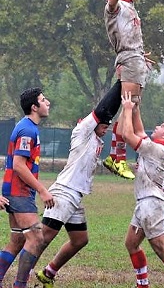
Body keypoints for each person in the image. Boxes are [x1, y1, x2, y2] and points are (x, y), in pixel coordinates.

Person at [34, 80, 122, 288]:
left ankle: (48, 273)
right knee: (42, 239)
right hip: (64, 193)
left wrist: (125, 91)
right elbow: (102, 108)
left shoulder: (97, 140)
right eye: (103, 124)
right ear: (92, 122)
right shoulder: (82, 131)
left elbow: (108, 111)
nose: (106, 127)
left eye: (108, 125)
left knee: (80, 239)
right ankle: (19, 275)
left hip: (76, 196)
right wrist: (121, 82)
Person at [119, 91, 164, 288]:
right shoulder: (156, 145)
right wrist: (136, 108)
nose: (157, 126)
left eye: (161, 126)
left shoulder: (157, 149)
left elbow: (128, 134)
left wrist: (126, 109)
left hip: (152, 203)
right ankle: (142, 285)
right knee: (131, 244)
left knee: (162, 249)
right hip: (145, 203)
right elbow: (141, 131)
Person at [103, 0, 155, 180]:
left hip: (136, 58)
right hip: (129, 58)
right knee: (129, 106)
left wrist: (141, 56)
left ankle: (116, 156)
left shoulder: (132, 8)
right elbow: (111, 4)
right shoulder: (117, 6)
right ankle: (117, 157)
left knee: (132, 107)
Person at [0, 87, 54, 288]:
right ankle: (19, 285)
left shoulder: (29, 127)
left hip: (16, 192)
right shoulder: (27, 129)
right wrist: (42, 189)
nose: (47, 102)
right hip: (19, 193)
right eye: (43, 99)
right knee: (36, 238)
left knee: (17, 241)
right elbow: (19, 165)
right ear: (34, 107)